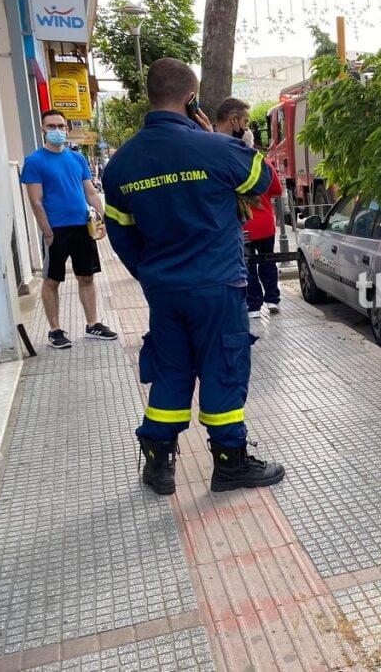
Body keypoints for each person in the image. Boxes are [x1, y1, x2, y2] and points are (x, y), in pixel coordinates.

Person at [101, 58, 285, 496]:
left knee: (171, 372)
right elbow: (265, 181)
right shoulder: (217, 149)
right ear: (191, 98)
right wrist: (218, 138)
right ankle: (230, 463)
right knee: (223, 369)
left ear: (150, 97)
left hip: (164, 290)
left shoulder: (120, 165)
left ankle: (159, 465)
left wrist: (151, 275)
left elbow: (120, 234)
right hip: (217, 286)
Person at [21, 109, 118, 348]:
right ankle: (55, 330)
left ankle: (93, 324)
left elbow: (90, 192)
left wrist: (102, 220)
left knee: (86, 276)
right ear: (43, 129)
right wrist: (47, 232)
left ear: (67, 129)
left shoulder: (77, 158)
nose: (57, 131)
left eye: (60, 126)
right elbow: (35, 201)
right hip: (56, 229)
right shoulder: (35, 161)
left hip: (82, 226)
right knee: (52, 280)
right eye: (51, 126)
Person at [214, 98, 284, 319]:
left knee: (248, 265)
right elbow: (276, 189)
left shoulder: (224, 159)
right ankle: (272, 299)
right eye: (245, 121)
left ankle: (253, 304)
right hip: (265, 224)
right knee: (268, 261)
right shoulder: (261, 161)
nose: (245, 126)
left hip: (244, 226)